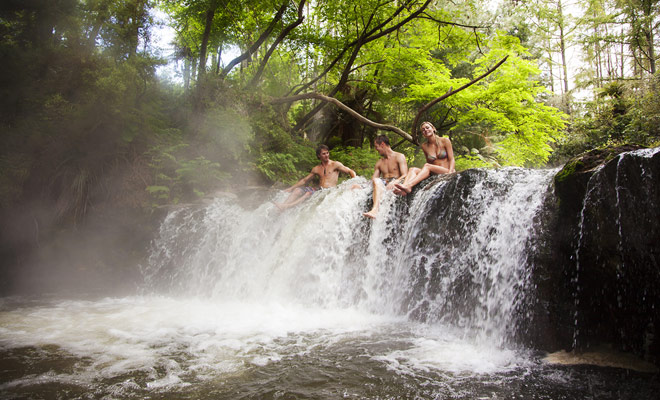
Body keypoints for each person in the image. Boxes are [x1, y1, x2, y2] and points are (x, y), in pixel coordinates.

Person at [273, 145, 356, 210]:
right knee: (297, 190)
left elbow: (350, 171)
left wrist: (355, 180)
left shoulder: (335, 164)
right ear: (319, 155)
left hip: (330, 190)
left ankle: (287, 206)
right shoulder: (316, 169)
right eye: (324, 154)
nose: (326, 155)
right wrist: (290, 188)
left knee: (308, 193)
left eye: (327, 153)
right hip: (319, 190)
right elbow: (305, 180)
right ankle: (282, 206)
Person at [394, 121, 455, 196]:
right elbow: (429, 162)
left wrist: (451, 171)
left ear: (433, 128)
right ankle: (404, 189)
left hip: (446, 170)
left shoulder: (445, 141)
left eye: (427, 127)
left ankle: (409, 185)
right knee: (412, 169)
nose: (425, 130)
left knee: (427, 166)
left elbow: (451, 159)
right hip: (433, 172)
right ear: (423, 134)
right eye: (423, 130)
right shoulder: (424, 146)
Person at [363, 135, 408, 219]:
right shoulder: (379, 162)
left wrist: (395, 181)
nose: (376, 150)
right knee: (375, 181)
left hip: (396, 183)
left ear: (382, 144)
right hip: (383, 184)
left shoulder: (399, 156)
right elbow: (374, 179)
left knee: (379, 181)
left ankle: (375, 210)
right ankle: (375, 210)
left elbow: (405, 174)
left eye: (377, 147)